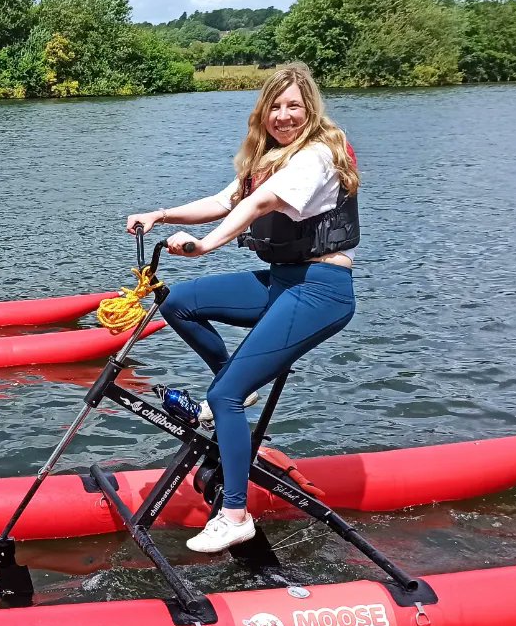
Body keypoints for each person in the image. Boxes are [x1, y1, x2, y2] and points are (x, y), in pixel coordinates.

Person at [127, 62, 359, 554]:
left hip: (321, 291)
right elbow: (224, 201)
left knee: (224, 396)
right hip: (283, 281)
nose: (284, 115)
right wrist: (159, 215)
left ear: (310, 109)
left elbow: (258, 206)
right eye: (275, 106)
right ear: (263, 112)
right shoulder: (269, 158)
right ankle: (236, 386)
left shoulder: (317, 155)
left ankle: (235, 514)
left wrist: (205, 247)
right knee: (180, 301)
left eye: (294, 105)